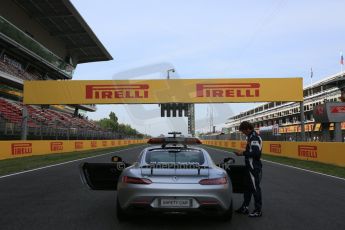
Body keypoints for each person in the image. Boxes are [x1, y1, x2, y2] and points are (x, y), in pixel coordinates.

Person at [234, 121, 263, 217]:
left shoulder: (254, 137)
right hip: (250, 166)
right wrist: (244, 152)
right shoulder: (250, 136)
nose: (243, 133)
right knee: (247, 187)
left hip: (253, 167)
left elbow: (256, 153)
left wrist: (242, 153)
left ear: (247, 129)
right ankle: (245, 207)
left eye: (243, 131)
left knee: (255, 188)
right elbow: (250, 151)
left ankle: (258, 210)